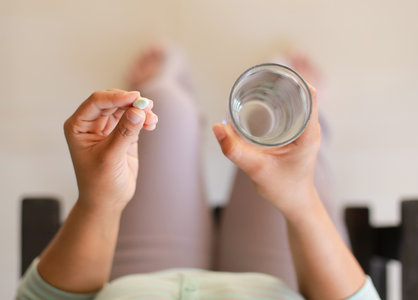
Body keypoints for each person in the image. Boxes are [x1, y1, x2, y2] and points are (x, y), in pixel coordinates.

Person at [16, 46, 380, 300]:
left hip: (134, 285)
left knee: (166, 106)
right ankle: (297, 102)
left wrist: (99, 201)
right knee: (281, 125)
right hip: (282, 287)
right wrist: (299, 199)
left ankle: (168, 81)